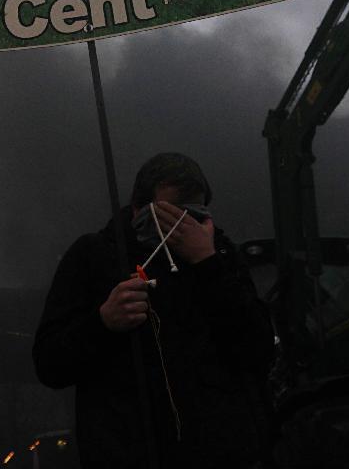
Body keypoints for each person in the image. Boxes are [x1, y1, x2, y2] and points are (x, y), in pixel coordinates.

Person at [33, 153, 275, 469]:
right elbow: (49, 364)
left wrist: (208, 265)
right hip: (132, 454)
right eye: (172, 213)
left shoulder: (222, 255)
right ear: (139, 209)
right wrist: (102, 323)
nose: (184, 225)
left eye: (195, 214)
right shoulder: (93, 257)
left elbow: (258, 351)